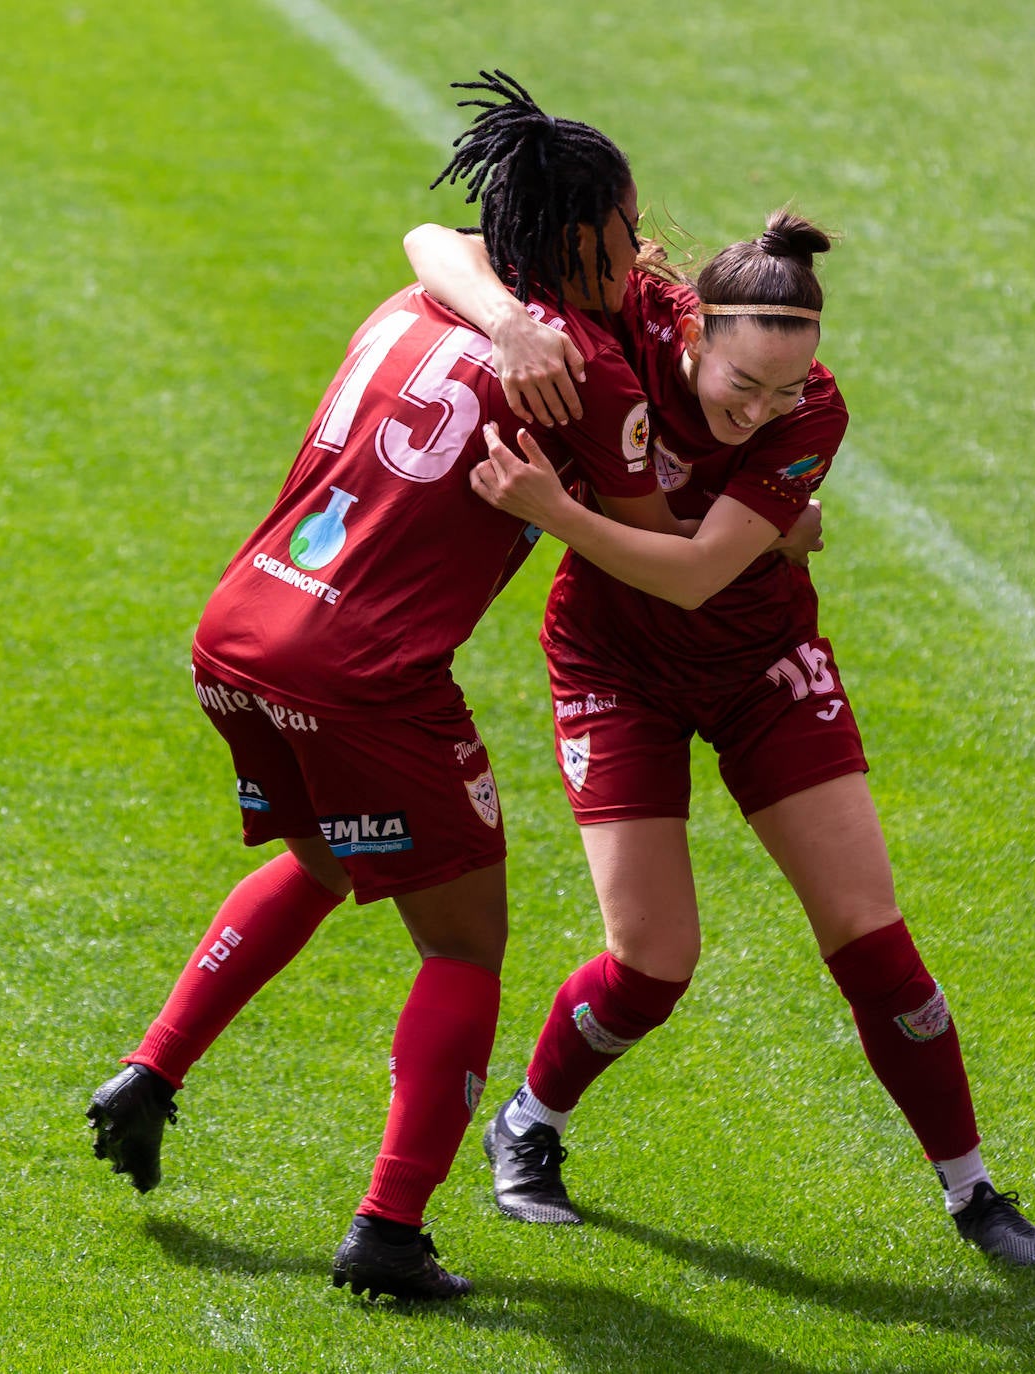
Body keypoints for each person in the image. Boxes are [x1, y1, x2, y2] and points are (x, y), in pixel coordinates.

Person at [85, 69, 690, 1303]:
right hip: (365, 674)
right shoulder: (583, 372)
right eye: (629, 228)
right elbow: (662, 546)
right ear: (579, 240)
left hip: (241, 629)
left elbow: (435, 241)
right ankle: (389, 1231)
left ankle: (150, 1071)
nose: (640, 247)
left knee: (325, 855)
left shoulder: (422, 292)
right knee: (464, 945)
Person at [403, 209, 1035, 1266]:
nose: (762, 413)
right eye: (740, 386)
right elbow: (433, 239)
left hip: (759, 662)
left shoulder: (813, 415)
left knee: (869, 934)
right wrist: (505, 323)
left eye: (785, 391)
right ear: (689, 337)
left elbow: (696, 574)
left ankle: (972, 1193)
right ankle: (528, 1123)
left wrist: (550, 507)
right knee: (653, 963)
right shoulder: (626, 325)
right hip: (612, 670)